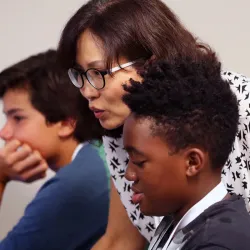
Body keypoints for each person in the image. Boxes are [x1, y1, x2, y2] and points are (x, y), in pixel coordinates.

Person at [57, 0, 250, 249]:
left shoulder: (241, 104)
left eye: (98, 74)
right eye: (81, 75)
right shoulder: (120, 127)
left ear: (150, 62)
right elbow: (121, 240)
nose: (86, 92)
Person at [122, 56, 250, 250]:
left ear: (192, 162)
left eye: (139, 161)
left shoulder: (220, 243)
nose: (128, 174)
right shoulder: (175, 221)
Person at [0, 50, 109, 250]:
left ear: (67, 123)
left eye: (17, 118)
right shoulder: (101, 156)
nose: (4, 133)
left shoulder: (76, 183)